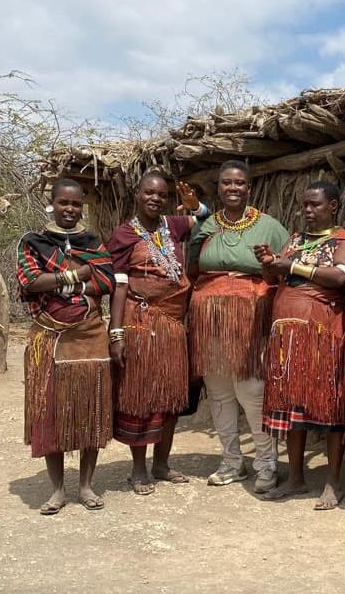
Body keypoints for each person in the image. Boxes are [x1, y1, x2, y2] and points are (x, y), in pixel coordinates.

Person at [253, 180, 345, 509]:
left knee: (328, 404)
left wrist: (293, 265)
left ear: (333, 207)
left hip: (322, 333)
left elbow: (341, 277)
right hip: (287, 333)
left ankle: (332, 482)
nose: (308, 211)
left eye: (315, 205)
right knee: (291, 404)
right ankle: (296, 478)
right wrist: (270, 263)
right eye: (305, 205)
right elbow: (276, 278)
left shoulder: (343, 240)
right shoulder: (296, 239)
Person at [187, 160, 289, 494]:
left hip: (250, 317)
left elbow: (285, 272)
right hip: (209, 318)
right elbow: (190, 267)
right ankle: (232, 461)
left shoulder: (270, 227)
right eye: (227, 183)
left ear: (249, 187)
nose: (233, 188)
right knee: (218, 390)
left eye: (240, 183)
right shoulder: (205, 225)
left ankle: (265, 463)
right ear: (218, 187)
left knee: (251, 389)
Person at [17, 178, 115, 514]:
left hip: (90, 336)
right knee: (50, 412)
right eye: (63, 203)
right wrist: (75, 277)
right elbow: (30, 282)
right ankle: (57, 490)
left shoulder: (92, 241)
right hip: (49, 338)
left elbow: (105, 281)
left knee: (91, 410)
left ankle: (86, 486)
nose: (70, 210)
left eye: (75, 204)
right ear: (52, 203)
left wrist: (58, 283)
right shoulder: (33, 242)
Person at [107, 171, 208, 495]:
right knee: (141, 396)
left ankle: (161, 464)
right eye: (149, 192)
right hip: (141, 323)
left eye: (162, 194)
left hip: (174, 327)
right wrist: (117, 333)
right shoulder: (123, 235)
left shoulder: (174, 226)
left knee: (169, 397)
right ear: (137, 194)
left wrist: (196, 204)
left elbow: (203, 217)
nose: (155, 198)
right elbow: (119, 287)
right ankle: (138, 469)